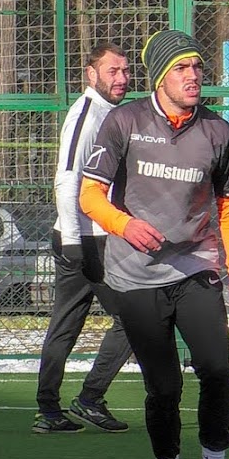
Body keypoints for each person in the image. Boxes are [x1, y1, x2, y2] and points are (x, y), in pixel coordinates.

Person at [79, 29, 229, 459]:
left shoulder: (217, 132)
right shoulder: (123, 122)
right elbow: (90, 194)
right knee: (165, 386)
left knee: (217, 370)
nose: (193, 76)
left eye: (197, 67)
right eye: (181, 68)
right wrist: (124, 224)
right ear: (160, 76)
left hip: (195, 267)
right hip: (135, 276)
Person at [32, 42, 134, 435]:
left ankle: (53, 409)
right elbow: (67, 178)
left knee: (71, 323)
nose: (121, 78)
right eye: (112, 71)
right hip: (87, 239)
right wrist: (75, 243)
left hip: (99, 236)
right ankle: (85, 400)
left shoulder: (112, 113)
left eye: (125, 71)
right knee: (133, 319)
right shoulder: (87, 115)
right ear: (91, 74)